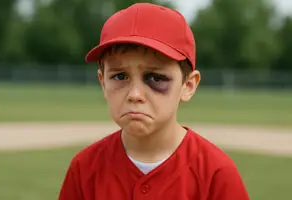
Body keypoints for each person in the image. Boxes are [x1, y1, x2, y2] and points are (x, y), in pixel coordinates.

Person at [58, 2, 250, 200]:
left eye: (156, 78)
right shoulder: (84, 169)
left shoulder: (216, 173)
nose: (135, 94)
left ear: (188, 86)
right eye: (120, 76)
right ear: (103, 83)